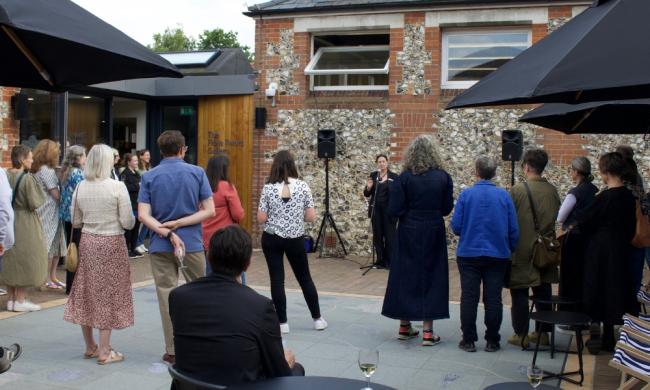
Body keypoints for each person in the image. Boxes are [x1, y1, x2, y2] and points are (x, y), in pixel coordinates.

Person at [170, 225, 304, 386]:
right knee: (297, 369)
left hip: (190, 385)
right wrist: (286, 362)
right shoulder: (260, 306)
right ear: (247, 264)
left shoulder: (178, 296)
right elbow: (278, 370)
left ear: (209, 257)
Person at [138, 130, 215, 365]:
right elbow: (209, 210)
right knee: (200, 294)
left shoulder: (149, 176)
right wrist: (180, 224)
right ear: (183, 149)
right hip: (191, 242)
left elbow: (143, 215)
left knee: (166, 295)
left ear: (161, 151)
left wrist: (167, 231)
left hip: (160, 243)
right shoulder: (197, 173)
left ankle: (172, 349)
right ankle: (202, 344)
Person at [63, 144, 135, 364]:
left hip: (88, 242)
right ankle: (105, 351)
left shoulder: (81, 187)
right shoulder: (117, 187)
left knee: (86, 290)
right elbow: (128, 222)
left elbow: (74, 221)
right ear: (107, 162)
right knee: (109, 294)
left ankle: (91, 346)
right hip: (112, 242)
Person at [382, 135, 454, 346]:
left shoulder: (404, 178)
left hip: (409, 228)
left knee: (406, 273)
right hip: (433, 228)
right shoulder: (443, 177)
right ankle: (428, 332)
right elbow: (446, 208)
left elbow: (394, 209)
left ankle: (405, 326)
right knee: (432, 275)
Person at [451, 156, 519, 353]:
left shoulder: (466, 195)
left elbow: (456, 226)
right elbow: (513, 229)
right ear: (494, 173)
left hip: (469, 253)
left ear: (476, 172)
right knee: (493, 298)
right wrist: (509, 249)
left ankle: (469, 339)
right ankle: (492, 340)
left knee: (469, 297)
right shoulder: (504, 196)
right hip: (497, 254)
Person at [257, 150, 326, 334]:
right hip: (295, 238)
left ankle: (282, 323)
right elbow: (311, 217)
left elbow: (261, 218)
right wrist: (295, 216)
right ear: (293, 165)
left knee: (277, 280)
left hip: (272, 238)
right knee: (304, 278)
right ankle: (317, 319)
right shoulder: (303, 186)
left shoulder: (268, 187)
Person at [578, 152, 637, 352]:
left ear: (606, 172)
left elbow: (584, 221)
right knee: (614, 288)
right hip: (621, 248)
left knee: (598, 287)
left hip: (600, 248)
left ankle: (598, 333)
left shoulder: (604, 197)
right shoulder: (629, 196)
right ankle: (610, 333)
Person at [507, 148, 560, 348]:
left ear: (527, 166)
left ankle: (520, 334)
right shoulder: (552, 191)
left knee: (519, 292)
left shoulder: (518, 190)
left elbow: (509, 219)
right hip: (545, 249)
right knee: (544, 291)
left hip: (522, 249)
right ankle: (543, 333)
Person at [2, 145, 47, 311]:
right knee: (24, 259)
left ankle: (11, 300)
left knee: (9, 259)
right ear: (22, 159)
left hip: (6, 220)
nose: (32, 159)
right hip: (24, 221)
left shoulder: (4, 175)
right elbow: (35, 202)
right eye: (30, 157)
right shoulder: (27, 178)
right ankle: (20, 301)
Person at [556, 157, 598, 308]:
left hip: (573, 238)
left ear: (576, 171)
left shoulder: (575, 192)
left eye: (571, 170)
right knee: (584, 275)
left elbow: (561, 217)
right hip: (589, 239)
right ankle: (583, 310)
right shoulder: (594, 190)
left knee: (569, 276)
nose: (570, 173)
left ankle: (568, 312)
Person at [32, 139, 67, 290]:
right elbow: (56, 195)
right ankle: (45, 278)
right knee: (48, 245)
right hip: (48, 211)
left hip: (47, 211)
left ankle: (51, 277)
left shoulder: (37, 168)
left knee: (56, 245)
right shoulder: (46, 170)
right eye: (57, 151)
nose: (59, 154)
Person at [202, 155, 245, 275]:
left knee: (210, 273)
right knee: (236, 271)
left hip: (205, 237)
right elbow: (238, 214)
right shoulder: (227, 187)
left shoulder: (201, 186)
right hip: (225, 238)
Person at [616, 145, 647, 299]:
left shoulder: (620, 184)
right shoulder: (638, 179)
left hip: (623, 234)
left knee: (620, 272)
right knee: (635, 272)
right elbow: (645, 207)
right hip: (638, 233)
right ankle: (631, 306)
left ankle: (622, 307)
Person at [59, 145, 86, 295]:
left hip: (67, 215)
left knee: (72, 249)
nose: (85, 158)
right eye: (83, 156)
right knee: (77, 250)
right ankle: (74, 287)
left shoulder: (66, 172)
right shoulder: (78, 174)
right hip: (76, 216)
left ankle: (71, 285)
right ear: (78, 158)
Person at [363, 154, 398, 268]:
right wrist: (368, 187)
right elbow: (367, 194)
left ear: (387, 162)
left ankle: (389, 262)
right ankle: (380, 260)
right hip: (376, 211)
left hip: (389, 212)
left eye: (383, 161)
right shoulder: (374, 175)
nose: (381, 163)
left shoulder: (394, 176)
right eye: (379, 162)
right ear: (377, 163)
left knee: (389, 236)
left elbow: (398, 193)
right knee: (377, 236)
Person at [120, 153, 143, 258]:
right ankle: (127, 249)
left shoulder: (137, 173)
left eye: (137, 161)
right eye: (134, 161)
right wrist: (137, 186)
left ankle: (134, 248)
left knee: (136, 227)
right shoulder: (125, 173)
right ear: (129, 162)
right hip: (130, 204)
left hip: (138, 204)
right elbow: (124, 188)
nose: (136, 162)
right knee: (130, 228)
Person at [135, 149, 152, 255]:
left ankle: (140, 242)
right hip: (141, 197)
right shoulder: (138, 169)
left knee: (147, 221)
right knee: (141, 221)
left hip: (149, 196)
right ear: (140, 156)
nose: (148, 156)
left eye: (149, 154)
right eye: (146, 155)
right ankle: (137, 243)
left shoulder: (149, 167)